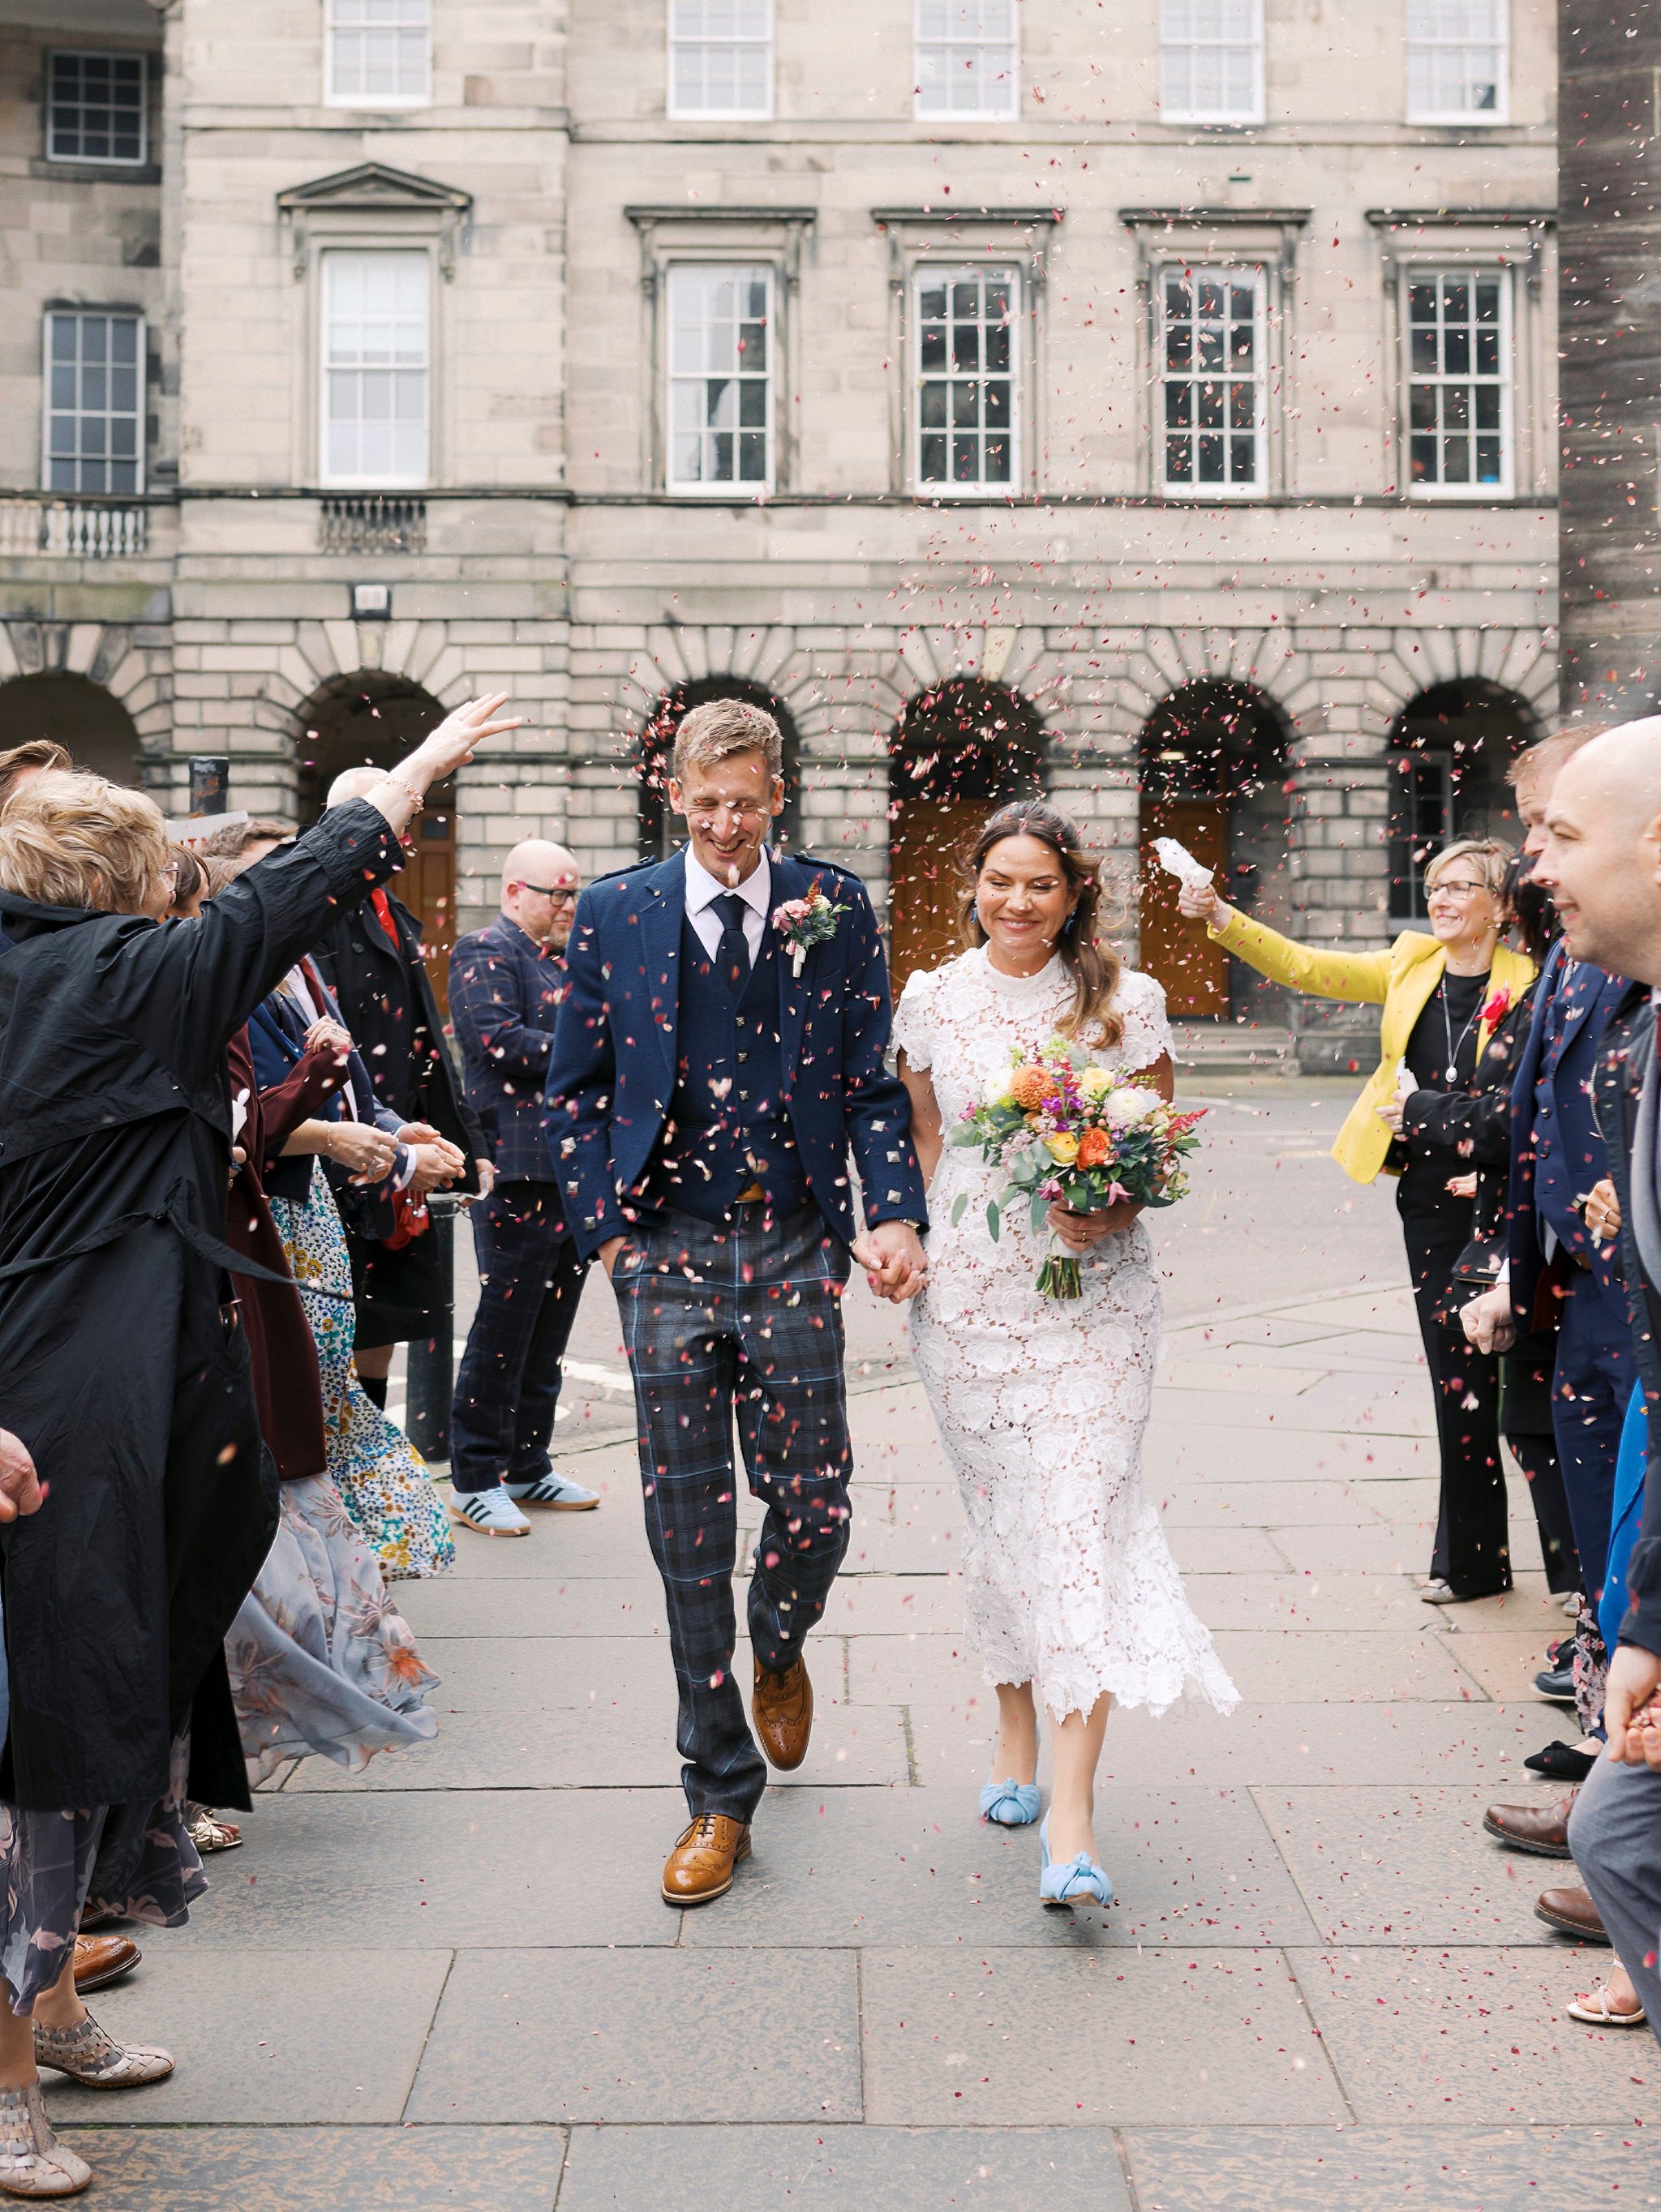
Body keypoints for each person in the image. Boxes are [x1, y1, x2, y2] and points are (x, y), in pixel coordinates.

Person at [0, 693, 514, 2193]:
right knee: (50, 1729)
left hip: (106, 1385)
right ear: (105, 888)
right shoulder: (110, 980)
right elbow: (280, 895)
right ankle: (9, 2084)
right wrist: (401, 782)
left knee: (107, 1701)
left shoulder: (66, 974)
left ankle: (55, 2001)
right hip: (62, 1406)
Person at [546, 696, 928, 1908]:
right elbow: (577, 1088)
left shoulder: (834, 905)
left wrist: (896, 1211)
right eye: (705, 803)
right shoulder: (615, 910)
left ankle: (780, 1641)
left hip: (795, 1243)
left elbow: (871, 1082)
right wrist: (605, 1233)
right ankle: (716, 1796)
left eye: (746, 803)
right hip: (663, 1248)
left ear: (779, 798)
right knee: (688, 1536)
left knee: (814, 1505)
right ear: (675, 794)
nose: (726, 824)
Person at [895, 801, 1236, 1905]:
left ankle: (1075, 1826)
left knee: (1082, 1524)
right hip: (973, 1311)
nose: (1018, 901)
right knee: (1004, 1524)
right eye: (1000, 880)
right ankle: (1013, 1737)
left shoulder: (1125, 1002)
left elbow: (1161, 1145)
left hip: (1096, 1306)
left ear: (1075, 892)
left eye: (1040, 883)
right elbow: (925, 1138)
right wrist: (917, 1244)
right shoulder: (932, 997)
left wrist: (1115, 1202)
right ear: (975, 885)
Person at [1177, 838, 1535, 1603]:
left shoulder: (1534, 981)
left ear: (1502, 908)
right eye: (1435, 885)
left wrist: (1502, 1168)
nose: (1440, 899)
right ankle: (1472, 1563)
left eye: (1461, 887)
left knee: (1534, 1395)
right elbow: (1306, 967)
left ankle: (1576, 1575)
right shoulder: (1412, 963)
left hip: (1514, 1199)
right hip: (1434, 1201)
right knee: (1457, 1381)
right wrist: (1220, 917)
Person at [1513, 715, 1661, 2047]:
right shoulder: (1637, 1037)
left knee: (1619, 1826)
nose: (1532, 865)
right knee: (1618, 1825)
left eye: (1559, 833)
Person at [310, 766, 488, 1412]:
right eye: (395, 821)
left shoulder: (392, 908)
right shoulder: (316, 918)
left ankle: (368, 1456)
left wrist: (465, 1141)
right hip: (341, 1150)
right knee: (336, 1327)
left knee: (385, 1319)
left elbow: (427, 1043)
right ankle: (332, 1468)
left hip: (395, 1144)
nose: (404, 838)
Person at [447, 840, 598, 1535]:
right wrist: (598, 1044)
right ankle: (475, 1476)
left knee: (549, 1329)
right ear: (515, 893)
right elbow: (499, 1042)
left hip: (567, 1168)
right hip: (516, 1167)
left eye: (572, 894)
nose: (568, 906)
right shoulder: (485, 950)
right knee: (503, 1329)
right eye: (555, 894)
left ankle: (530, 1465)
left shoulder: (562, 960)